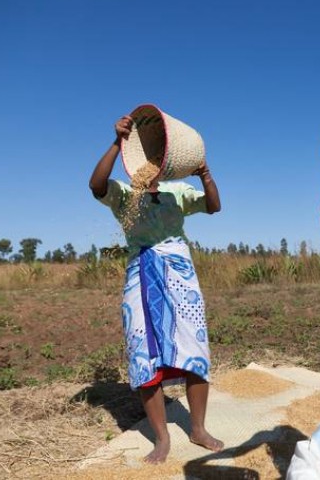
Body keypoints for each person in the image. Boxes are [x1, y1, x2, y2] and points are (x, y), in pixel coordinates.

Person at [89, 115, 224, 463]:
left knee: (194, 347)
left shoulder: (176, 191)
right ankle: (161, 439)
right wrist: (117, 142)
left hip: (179, 275)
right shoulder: (124, 194)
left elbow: (213, 206)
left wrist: (205, 174)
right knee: (143, 353)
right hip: (140, 277)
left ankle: (198, 428)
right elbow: (96, 185)